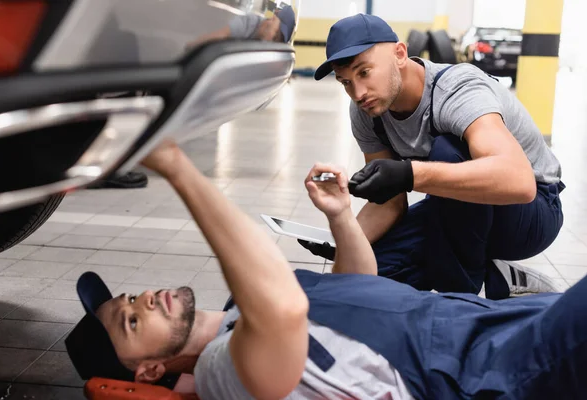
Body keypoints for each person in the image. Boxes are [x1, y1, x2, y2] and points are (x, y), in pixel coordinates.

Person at [67, 140, 584, 400]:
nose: (142, 302)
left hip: (469, 324)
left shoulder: (234, 318)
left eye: (130, 299)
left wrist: (340, 216)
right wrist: (176, 164)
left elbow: (358, 287)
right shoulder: (224, 370)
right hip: (475, 373)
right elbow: (285, 311)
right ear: (151, 371)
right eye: (131, 322)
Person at [300, 14, 565, 300]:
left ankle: (466, 300)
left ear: (400, 54)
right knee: (376, 266)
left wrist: (409, 174)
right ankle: (503, 277)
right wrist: (345, 238)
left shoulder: (457, 91)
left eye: (364, 72)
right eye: (346, 82)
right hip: (455, 205)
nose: (358, 93)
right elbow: (390, 204)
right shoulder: (367, 111)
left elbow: (519, 182)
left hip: (531, 212)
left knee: (448, 151)